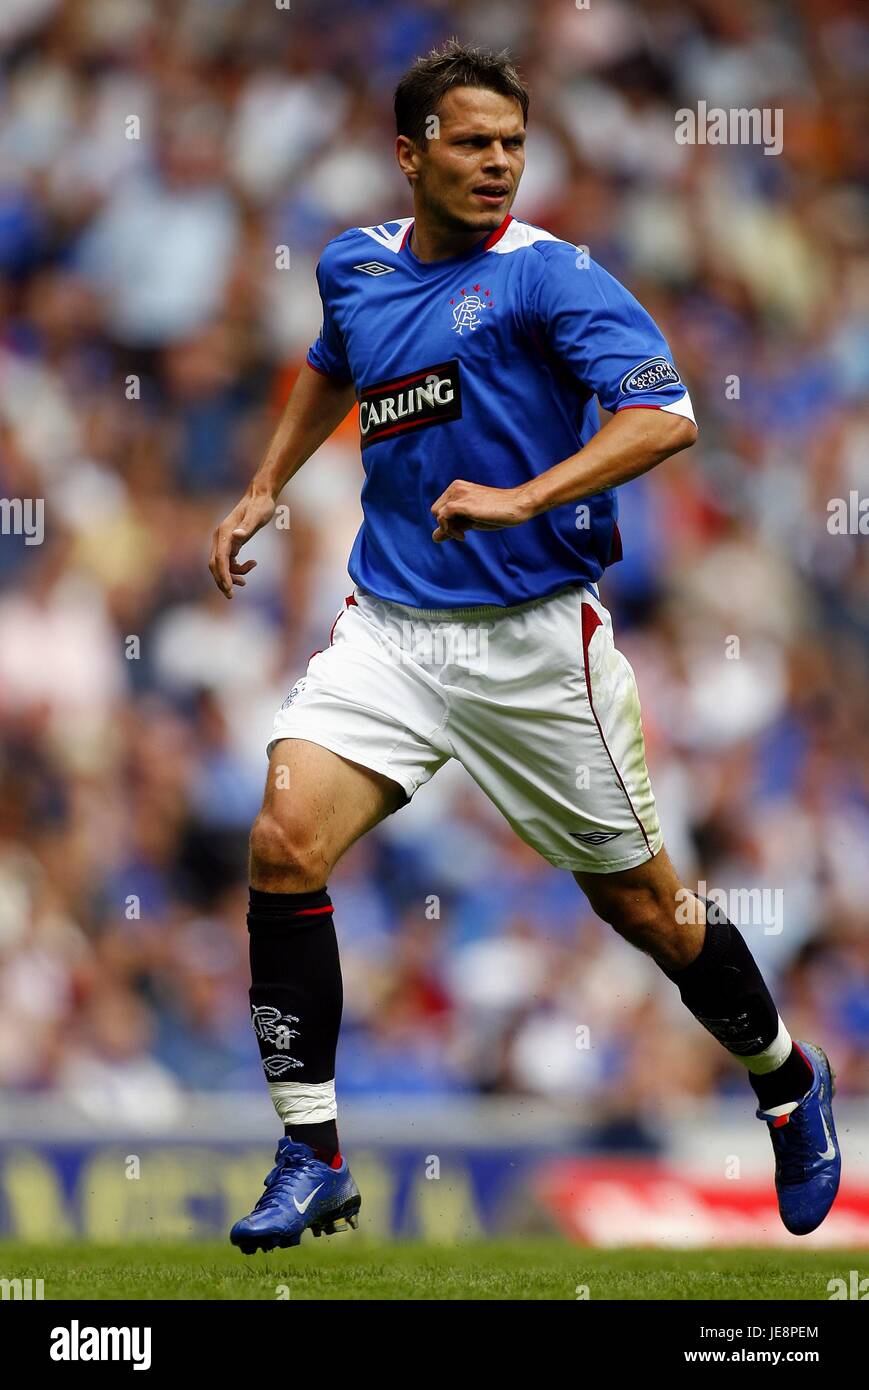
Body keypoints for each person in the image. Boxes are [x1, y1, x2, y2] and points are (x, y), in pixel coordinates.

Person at [209, 40, 840, 1253]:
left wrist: (525, 494)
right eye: (470, 142)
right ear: (409, 155)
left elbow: (664, 413)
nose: (497, 163)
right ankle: (311, 1151)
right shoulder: (353, 264)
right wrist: (262, 485)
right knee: (282, 841)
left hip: (534, 647)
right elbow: (333, 362)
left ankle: (783, 1076)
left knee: (650, 912)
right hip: (389, 628)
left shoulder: (554, 280)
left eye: (511, 143)